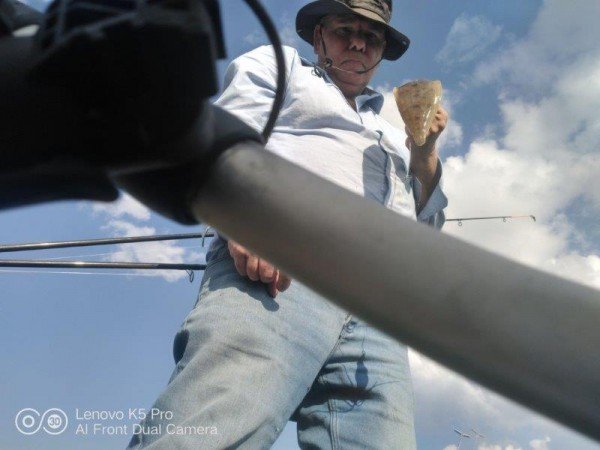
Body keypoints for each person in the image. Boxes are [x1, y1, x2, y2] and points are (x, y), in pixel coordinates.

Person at [127, 0, 448, 448]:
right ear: (318, 36)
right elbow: (227, 131)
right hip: (282, 271)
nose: (358, 41)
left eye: (372, 37)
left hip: (378, 311)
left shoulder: (393, 137)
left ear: (380, 53)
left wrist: (425, 153)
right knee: (215, 427)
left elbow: (426, 230)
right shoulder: (281, 66)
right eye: (344, 29)